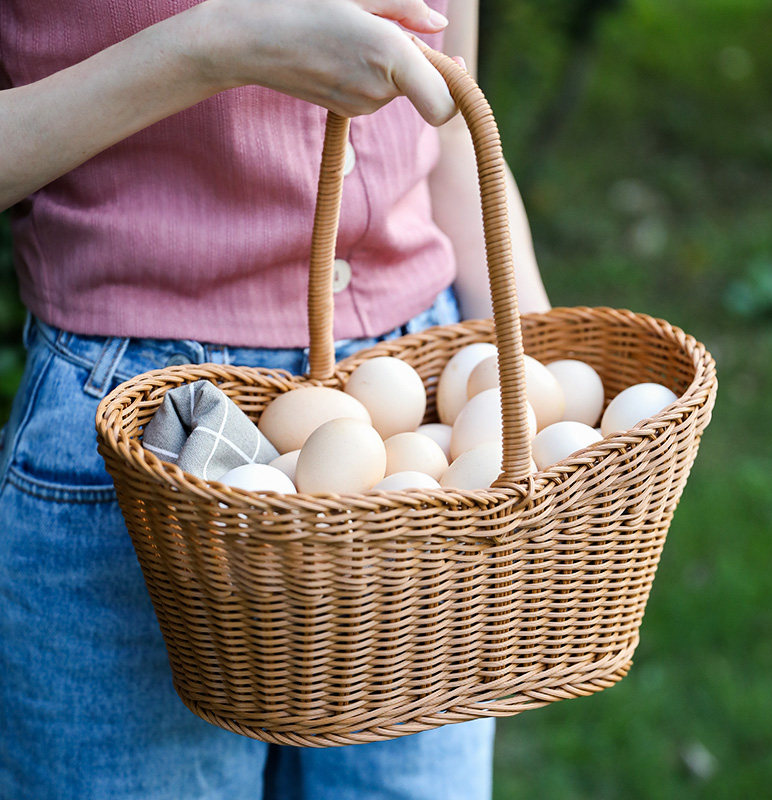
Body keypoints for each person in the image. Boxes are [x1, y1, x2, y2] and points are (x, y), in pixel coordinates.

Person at [0, 1, 549, 798]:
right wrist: (219, 48)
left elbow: (451, 119)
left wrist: (530, 369)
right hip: (142, 434)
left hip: (423, 421)